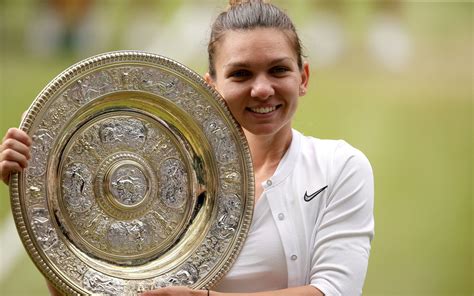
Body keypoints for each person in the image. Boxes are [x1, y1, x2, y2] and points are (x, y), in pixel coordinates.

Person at [0, 0, 374, 295]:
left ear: (303, 77)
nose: (262, 89)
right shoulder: (168, 182)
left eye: (278, 70)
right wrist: (41, 208)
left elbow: (336, 291)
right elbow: (98, 288)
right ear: (209, 86)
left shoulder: (339, 167)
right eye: (241, 73)